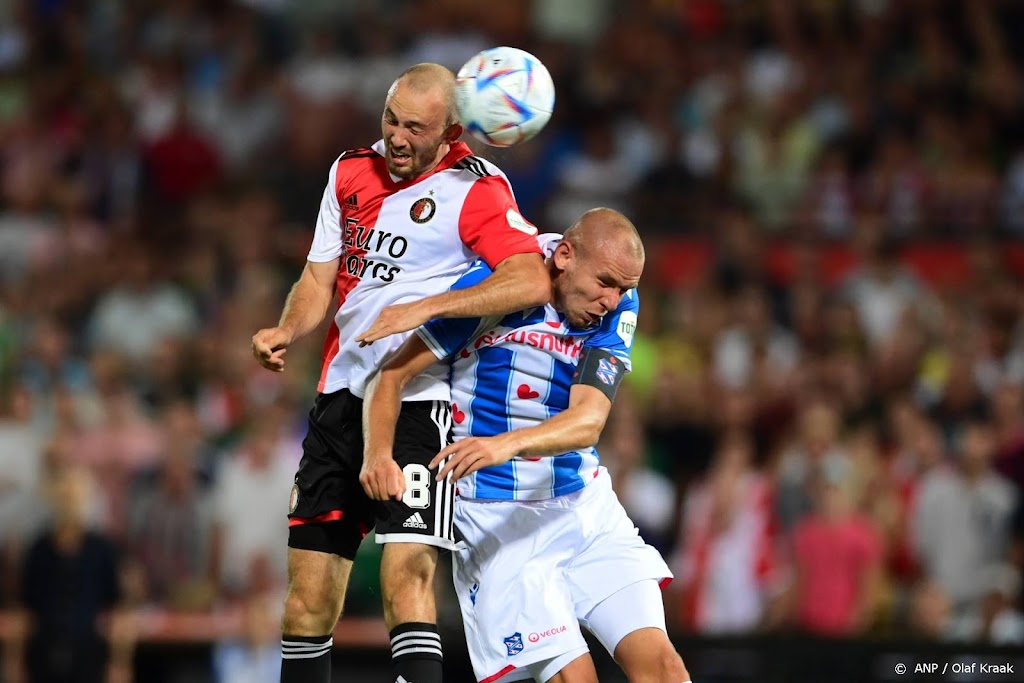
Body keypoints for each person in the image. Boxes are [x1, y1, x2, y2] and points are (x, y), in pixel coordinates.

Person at [250, 62, 550, 683]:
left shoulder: (479, 188)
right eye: (391, 120)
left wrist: (429, 306)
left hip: (422, 402)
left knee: (407, 582)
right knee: (306, 603)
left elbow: (530, 276)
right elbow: (318, 278)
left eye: (416, 127)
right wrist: (287, 328)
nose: (398, 138)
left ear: (450, 133)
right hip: (338, 403)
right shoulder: (348, 170)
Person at [363, 208, 692, 683]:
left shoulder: (620, 299)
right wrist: (378, 453)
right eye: (605, 283)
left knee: (663, 667)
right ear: (564, 255)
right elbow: (392, 374)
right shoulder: (497, 284)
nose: (612, 299)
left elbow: (588, 420)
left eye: (622, 288)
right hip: (499, 518)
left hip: (582, 505)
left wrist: (505, 444)